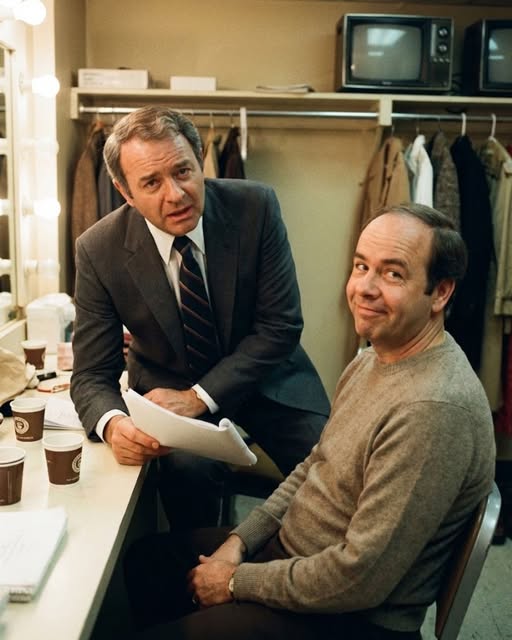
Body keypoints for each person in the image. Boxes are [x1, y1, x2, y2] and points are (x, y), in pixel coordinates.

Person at [123, 203, 496, 640]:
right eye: (361, 266)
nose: (364, 288)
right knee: (148, 562)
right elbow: (315, 466)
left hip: (351, 617)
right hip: (297, 557)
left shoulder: (432, 409)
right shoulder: (371, 359)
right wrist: (240, 541)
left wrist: (235, 581)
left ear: (441, 293)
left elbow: (360, 578)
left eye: (393, 274)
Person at [70, 106, 330, 527]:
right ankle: (204, 563)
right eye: (151, 182)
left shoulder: (256, 207)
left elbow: (280, 326)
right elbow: (91, 375)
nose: (175, 194)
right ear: (124, 191)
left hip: (267, 382)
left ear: (200, 158)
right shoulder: (98, 250)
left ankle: (313, 564)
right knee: (187, 478)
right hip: (168, 397)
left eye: (183, 171)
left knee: (330, 470)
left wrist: (198, 397)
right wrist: (113, 424)